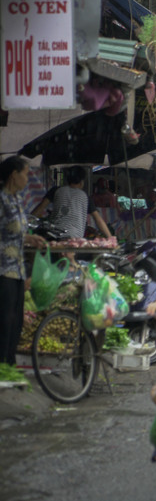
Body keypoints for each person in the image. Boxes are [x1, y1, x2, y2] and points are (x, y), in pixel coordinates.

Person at [0, 156, 47, 366]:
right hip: (3, 269)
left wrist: (30, 238)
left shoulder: (17, 199)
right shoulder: (1, 199)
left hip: (17, 268)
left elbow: (17, 232)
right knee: (5, 319)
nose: (28, 179)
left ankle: (9, 363)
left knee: (16, 320)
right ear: (14, 175)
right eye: (26, 174)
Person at [32, 165, 112, 239]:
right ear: (81, 182)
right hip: (75, 238)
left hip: (54, 236)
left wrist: (25, 223)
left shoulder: (56, 190)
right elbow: (98, 220)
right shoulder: (85, 197)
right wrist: (111, 239)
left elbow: (40, 207)